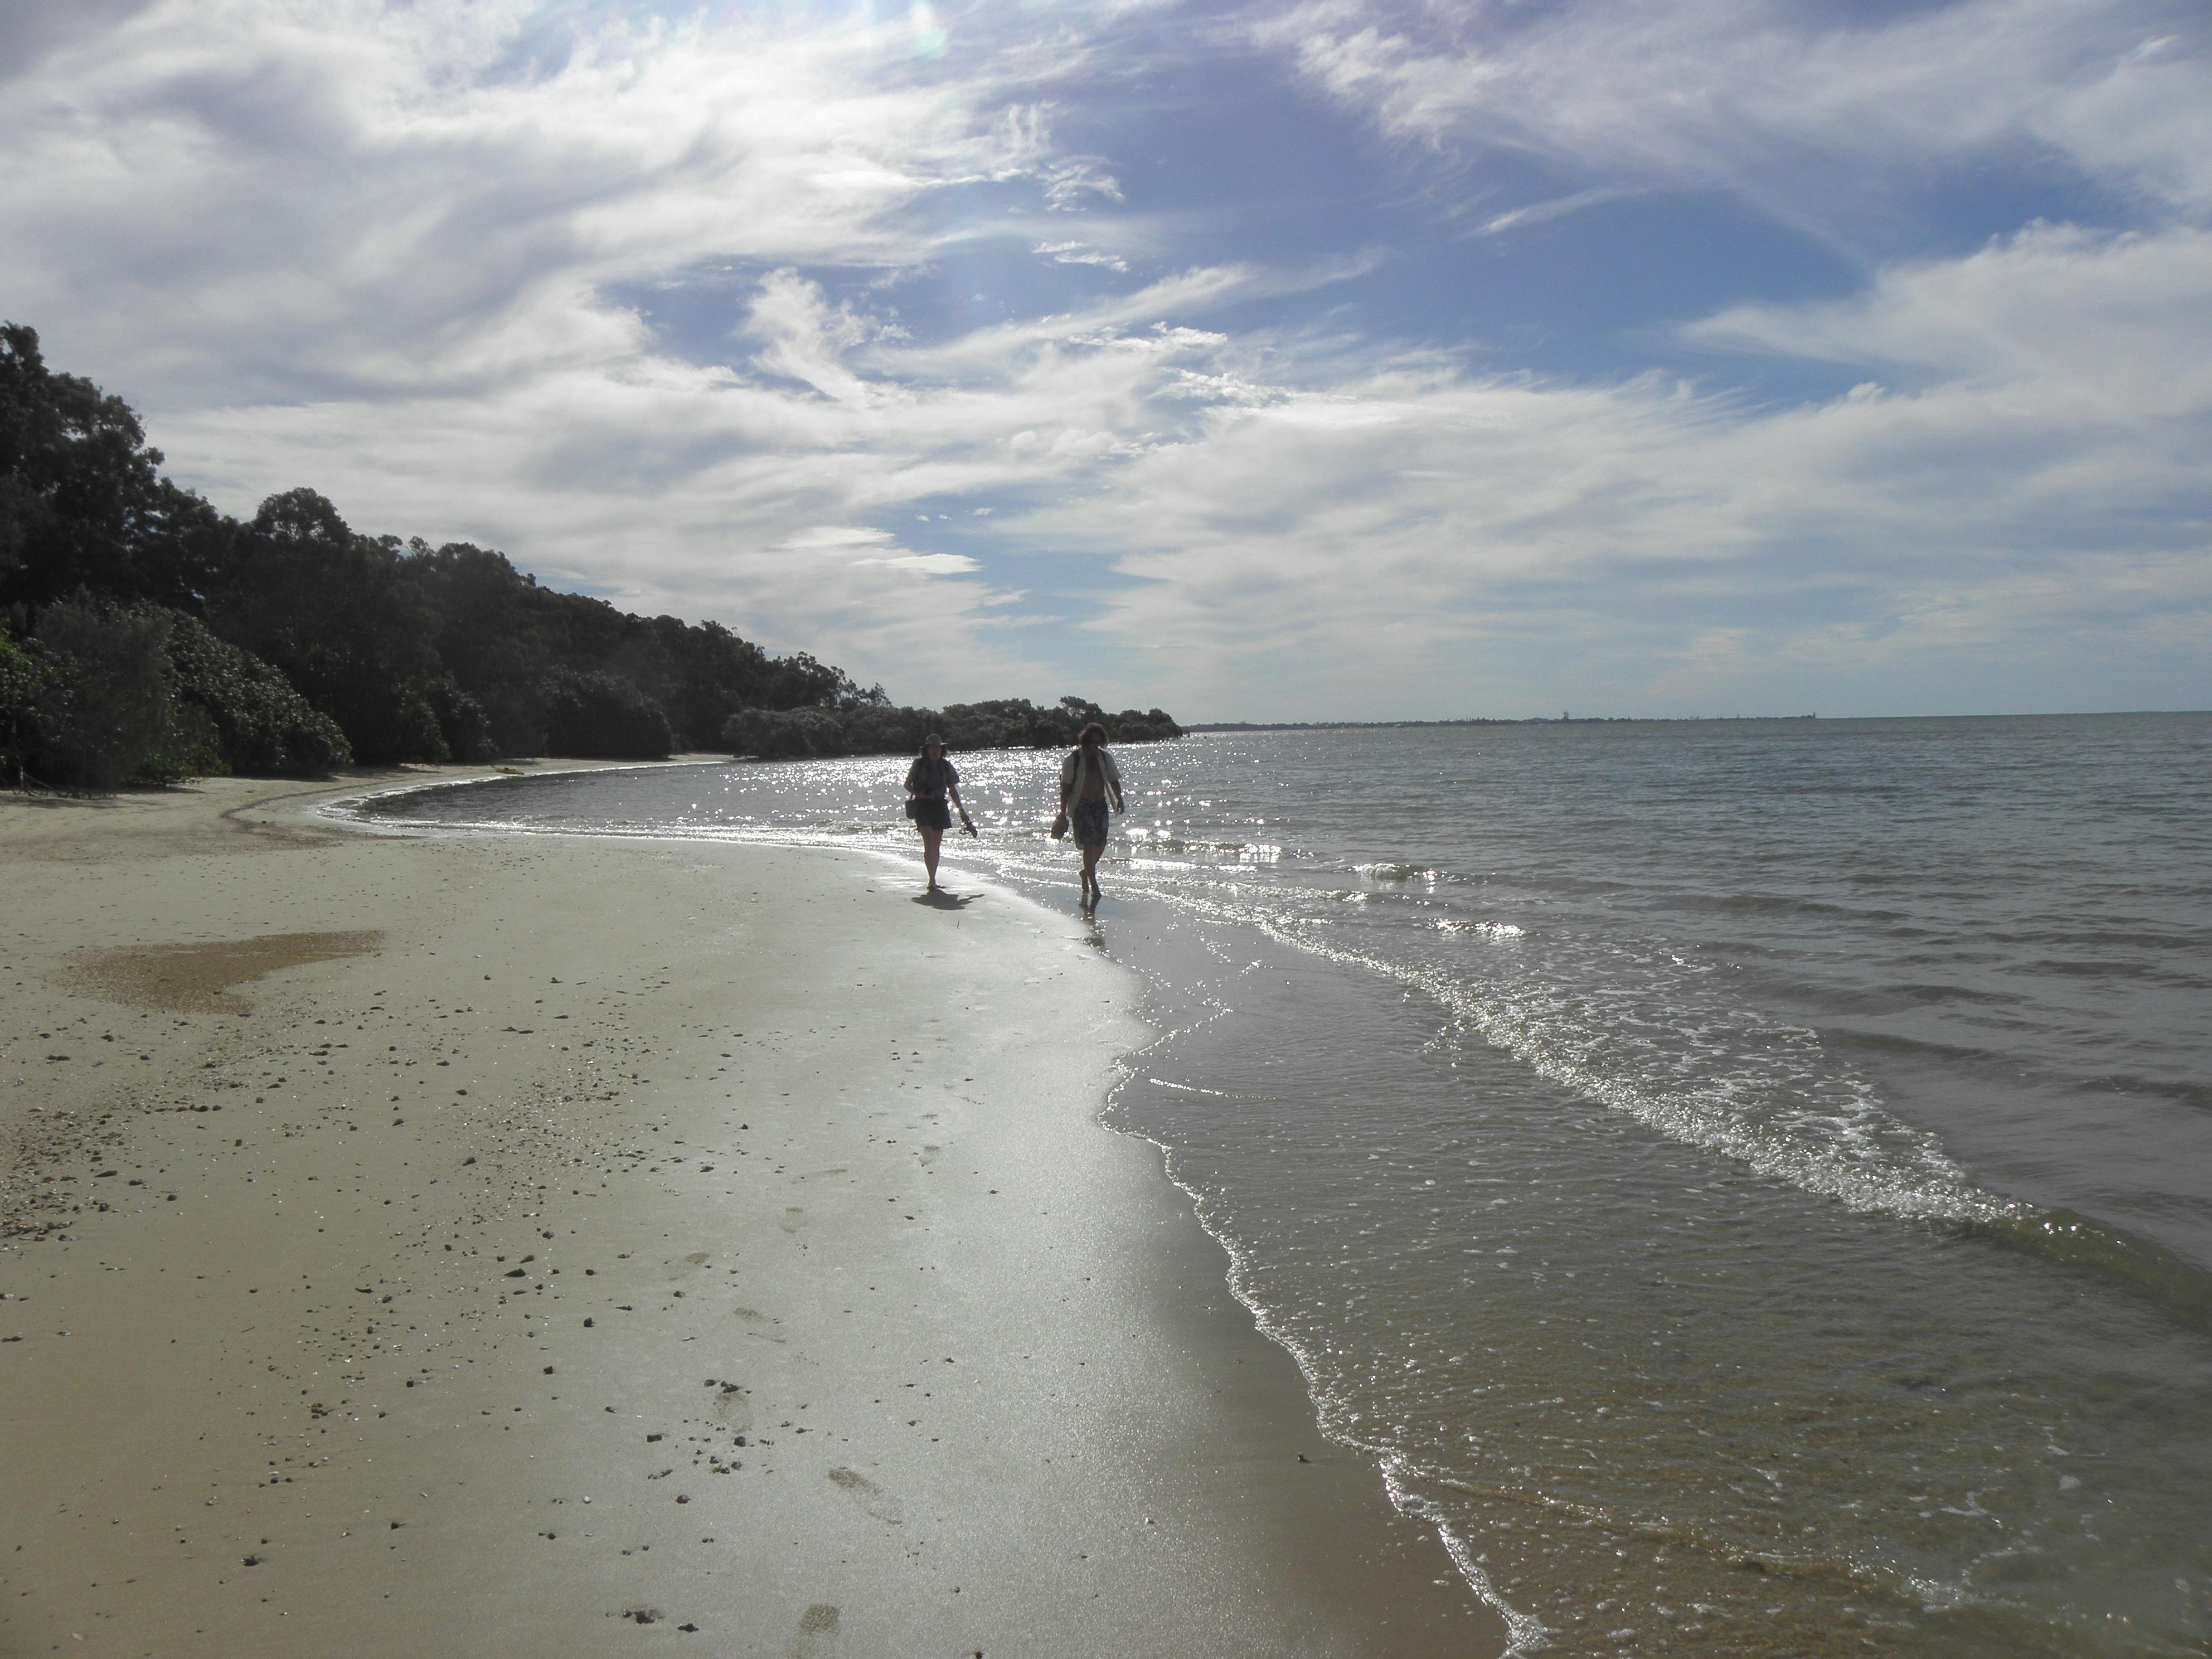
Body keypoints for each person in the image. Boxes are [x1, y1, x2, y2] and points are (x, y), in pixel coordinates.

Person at [1057, 721, 1124, 909]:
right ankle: (1094, 886)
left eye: (1098, 742)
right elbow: (1066, 787)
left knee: (1101, 843)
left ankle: (1087, 873)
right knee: (1088, 845)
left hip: (1100, 804)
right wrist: (1062, 813)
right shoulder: (1074, 759)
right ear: (1085, 740)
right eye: (1092, 742)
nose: (1095, 745)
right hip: (1081, 805)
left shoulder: (1104, 758)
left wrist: (1119, 798)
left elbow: (1113, 778)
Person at [904, 733, 972, 891]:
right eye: (932, 748)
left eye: (938, 748)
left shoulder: (945, 766)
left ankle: (933, 878)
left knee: (936, 844)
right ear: (926, 749)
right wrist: (919, 794)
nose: (935, 750)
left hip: (940, 805)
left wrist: (962, 811)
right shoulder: (918, 765)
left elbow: (952, 790)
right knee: (928, 841)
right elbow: (907, 784)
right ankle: (931, 881)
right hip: (922, 806)